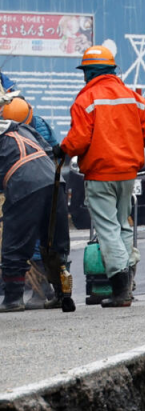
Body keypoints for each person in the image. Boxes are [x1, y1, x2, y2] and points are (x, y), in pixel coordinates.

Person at [54, 45, 145, 308]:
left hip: (100, 175)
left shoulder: (86, 100)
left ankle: (120, 289)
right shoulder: (134, 98)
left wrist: (61, 149)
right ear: (111, 70)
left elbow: (78, 140)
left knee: (107, 229)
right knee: (121, 226)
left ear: (91, 72)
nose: (84, 77)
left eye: (85, 71)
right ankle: (129, 277)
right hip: (127, 175)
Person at [0, 119, 70, 312]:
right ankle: (62, 294)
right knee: (54, 241)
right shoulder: (23, 128)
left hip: (25, 184)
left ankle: (13, 299)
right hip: (54, 180)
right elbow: (49, 151)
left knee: (15, 241)